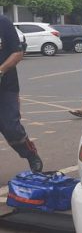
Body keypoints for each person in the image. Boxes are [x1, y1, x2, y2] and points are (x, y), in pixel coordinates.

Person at [0, 15, 43, 172]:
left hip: (6, 87)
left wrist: (1, 70)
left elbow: (17, 53)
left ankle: (31, 155)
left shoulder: (3, 23)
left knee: (11, 127)